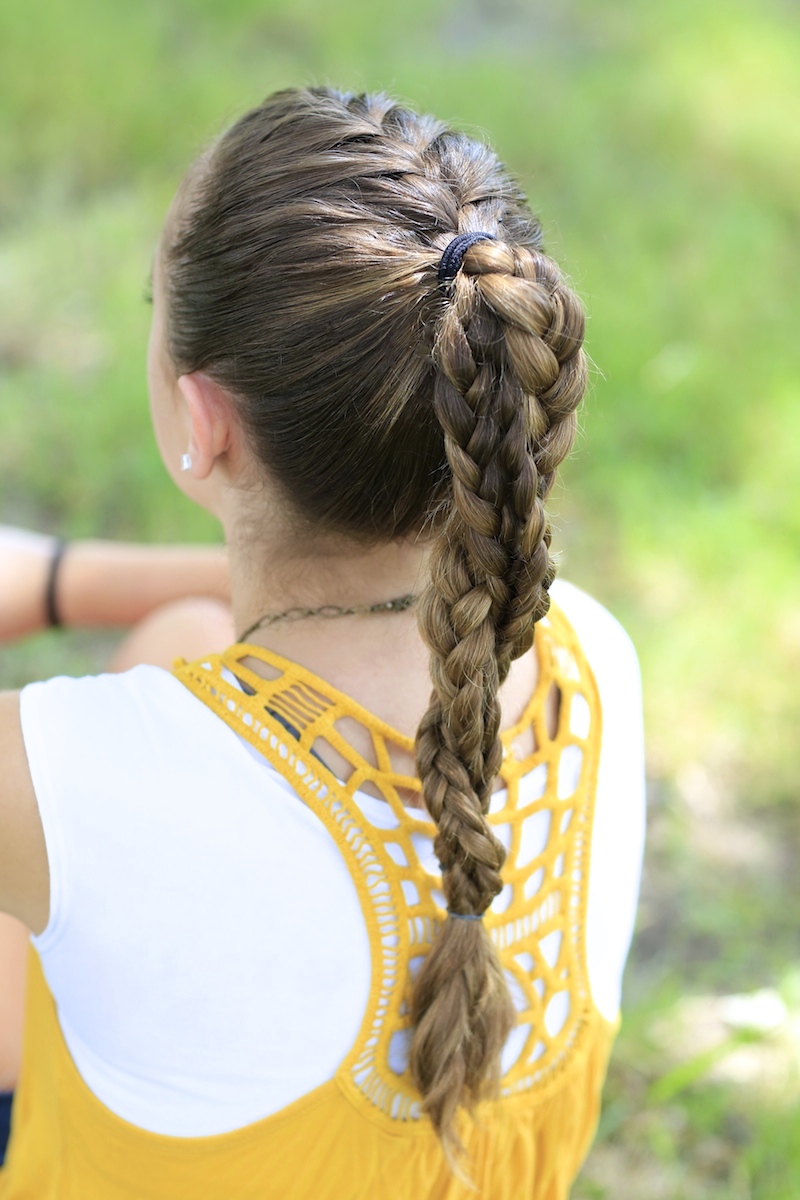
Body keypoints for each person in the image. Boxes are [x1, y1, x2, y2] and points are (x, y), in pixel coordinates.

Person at [0, 86, 645, 1198]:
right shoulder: (589, 651)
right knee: (185, 635)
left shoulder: (76, 779)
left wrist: (55, 588)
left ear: (202, 425)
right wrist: (64, 578)